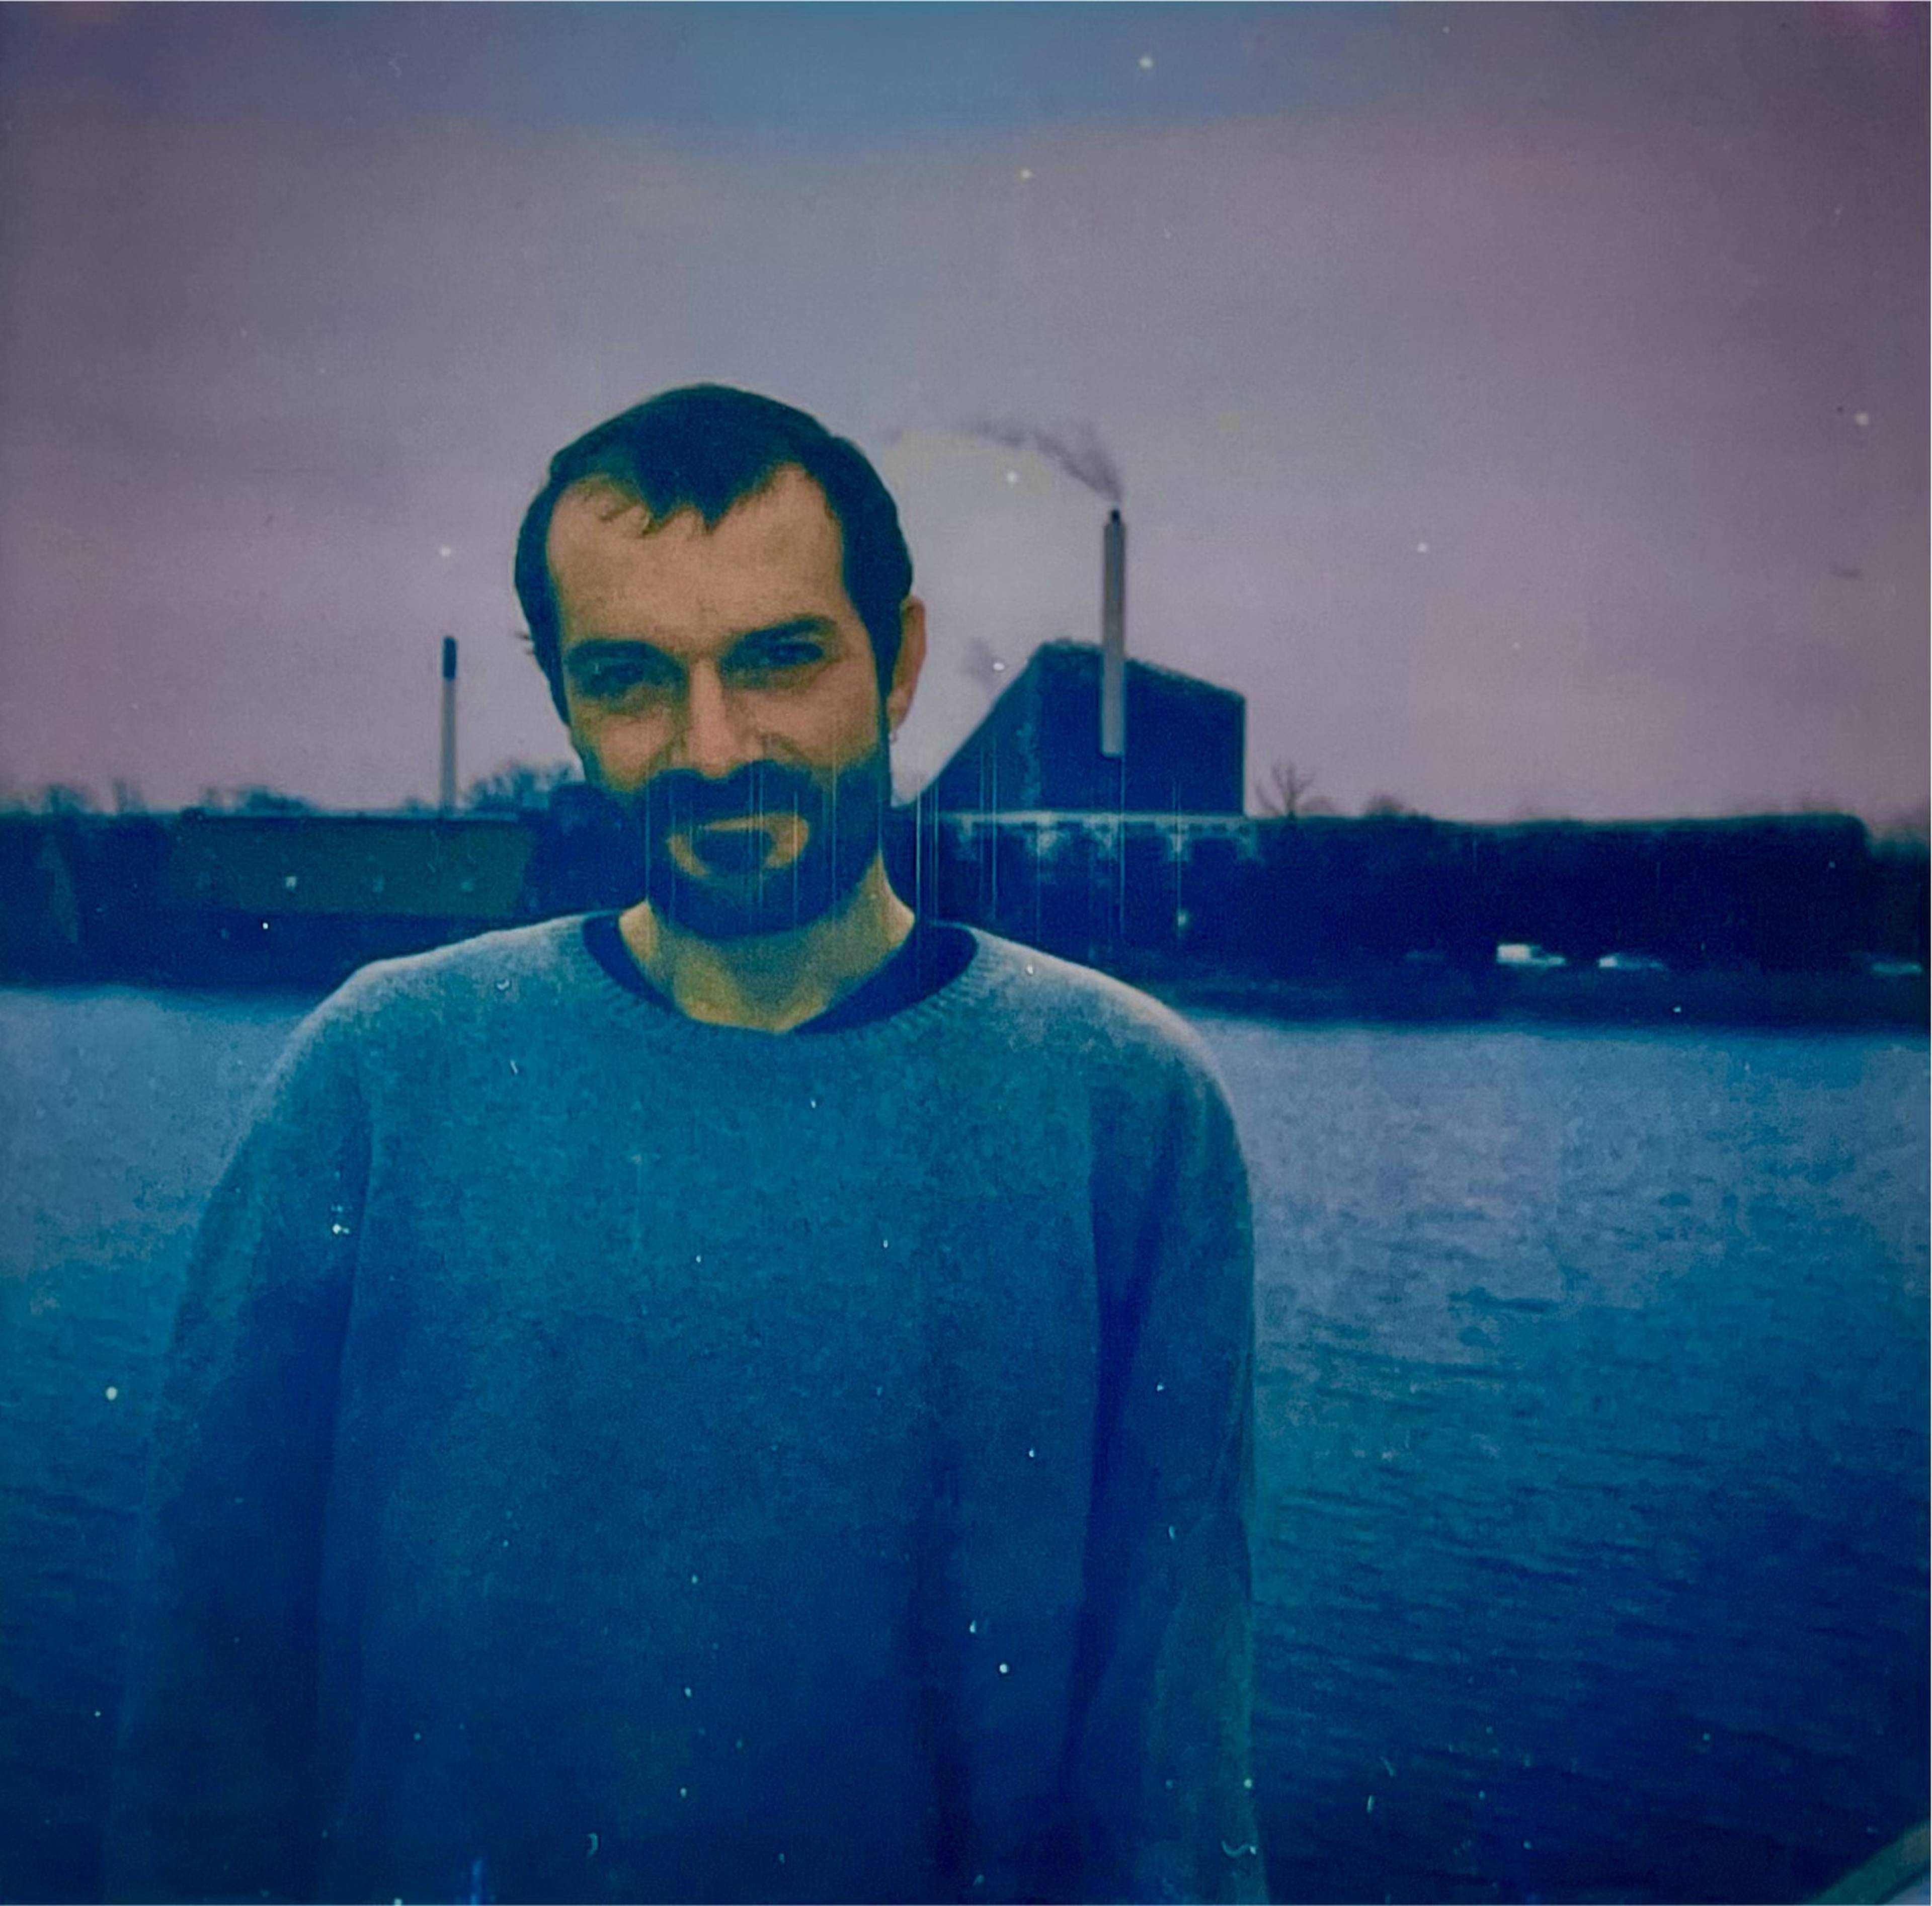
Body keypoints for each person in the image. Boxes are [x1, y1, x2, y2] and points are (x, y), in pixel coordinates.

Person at [107, 385, 1263, 1904]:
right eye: (634, 681)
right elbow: (207, 1700)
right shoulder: (381, 1077)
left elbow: (1166, 1793)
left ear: (900, 660)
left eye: (780, 661)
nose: (715, 749)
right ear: (572, 707)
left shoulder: (1126, 1110)